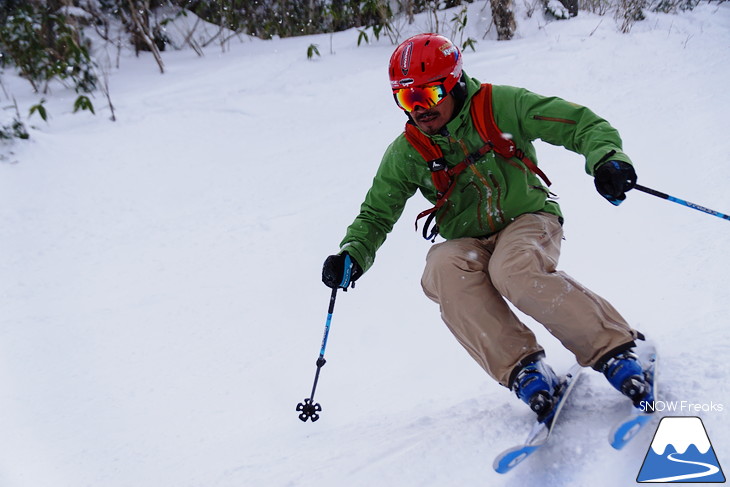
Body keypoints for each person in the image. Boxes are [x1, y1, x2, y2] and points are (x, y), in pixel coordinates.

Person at [321, 33, 652, 422]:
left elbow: (579, 124)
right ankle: (524, 368)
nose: (418, 111)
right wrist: (352, 254)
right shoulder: (408, 151)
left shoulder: (500, 106)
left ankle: (614, 349)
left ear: (454, 85)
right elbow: (377, 213)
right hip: (468, 241)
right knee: (442, 267)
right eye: (406, 100)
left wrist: (607, 160)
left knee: (512, 268)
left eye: (426, 96)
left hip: (528, 219)